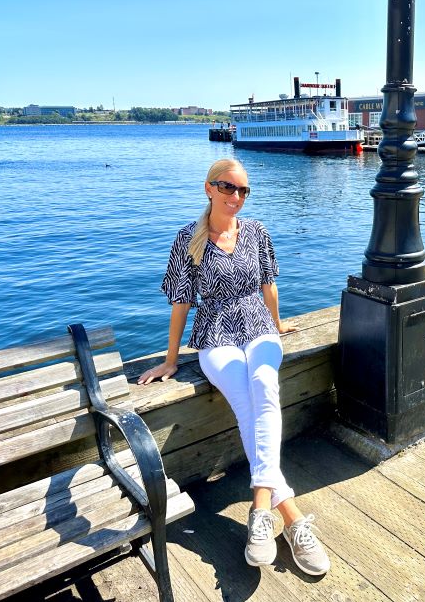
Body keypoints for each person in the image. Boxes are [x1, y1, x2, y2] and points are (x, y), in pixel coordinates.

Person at [138, 158, 330, 576]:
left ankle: (262, 509)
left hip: (258, 325)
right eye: (229, 188)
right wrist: (171, 360)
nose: (237, 197)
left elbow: (269, 284)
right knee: (246, 399)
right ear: (209, 187)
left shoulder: (256, 231)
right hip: (215, 331)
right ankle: (292, 519)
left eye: (244, 190)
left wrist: (278, 324)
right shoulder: (188, 239)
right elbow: (181, 304)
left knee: (263, 382)